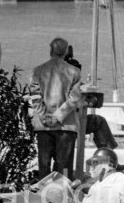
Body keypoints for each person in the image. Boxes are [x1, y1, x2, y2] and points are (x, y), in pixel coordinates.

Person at [30, 37, 82, 180]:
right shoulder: (74, 71)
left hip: (43, 125)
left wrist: (43, 115)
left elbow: (35, 96)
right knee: (64, 166)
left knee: (44, 165)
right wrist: (57, 117)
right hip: (66, 125)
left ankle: (42, 196)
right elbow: (74, 98)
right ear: (66, 51)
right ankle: (63, 196)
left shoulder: (38, 71)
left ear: (50, 50)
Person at [64, 44, 118, 150]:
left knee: (98, 121)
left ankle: (107, 156)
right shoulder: (65, 83)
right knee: (98, 121)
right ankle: (107, 157)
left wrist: (92, 98)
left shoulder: (77, 84)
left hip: (74, 121)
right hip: (66, 123)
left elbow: (97, 102)